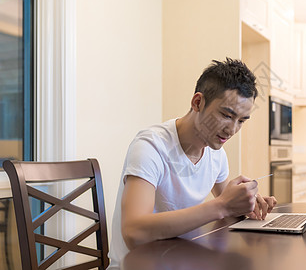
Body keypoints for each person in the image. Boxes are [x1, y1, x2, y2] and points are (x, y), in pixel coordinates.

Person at [107, 58, 277, 269]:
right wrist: (222, 206)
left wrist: (246, 203)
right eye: (226, 115)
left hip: (182, 260)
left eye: (241, 121)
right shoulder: (151, 146)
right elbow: (134, 232)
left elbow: (228, 205)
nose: (232, 130)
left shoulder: (217, 154)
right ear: (198, 102)